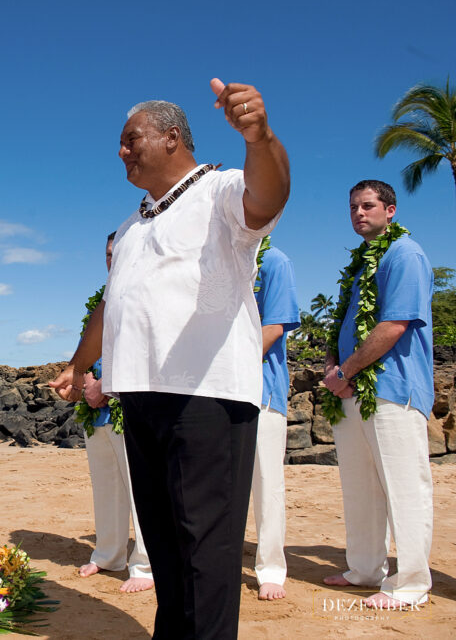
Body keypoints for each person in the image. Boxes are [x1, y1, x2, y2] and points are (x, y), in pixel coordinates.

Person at [51, 79, 290, 639]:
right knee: (162, 539)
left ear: (171, 138)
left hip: (208, 396)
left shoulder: (222, 191)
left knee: (206, 546)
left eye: (131, 138)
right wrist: (78, 365)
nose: (122, 151)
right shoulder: (134, 226)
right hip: (141, 396)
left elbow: (269, 196)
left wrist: (261, 137)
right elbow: (112, 310)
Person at [321, 180, 433, 609]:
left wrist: (346, 370)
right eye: (353, 207)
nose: (359, 213)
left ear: (390, 210)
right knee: (360, 485)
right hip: (352, 390)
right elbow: (344, 326)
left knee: (404, 486)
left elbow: (394, 324)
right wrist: (334, 368)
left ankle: (411, 584)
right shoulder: (361, 261)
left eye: (368, 206)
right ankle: (365, 568)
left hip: (394, 389)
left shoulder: (405, 254)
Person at [79, 232, 152, 592]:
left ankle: (145, 565)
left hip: (132, 406)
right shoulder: (102, 300)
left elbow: (146, 350)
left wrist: (105, 386)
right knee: (106, 485)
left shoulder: (144, 293)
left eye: (117, 253)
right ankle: (108, 554)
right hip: (98, 412)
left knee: (141, 489)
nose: (112, 260)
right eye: (108, 254)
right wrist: (82, 382)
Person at [251, 240, 299, 601]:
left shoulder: (275, 262)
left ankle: (270, 569)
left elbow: (274, 328)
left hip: (262, 391)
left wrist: (228, 365)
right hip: (219, 393)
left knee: (267, 483)